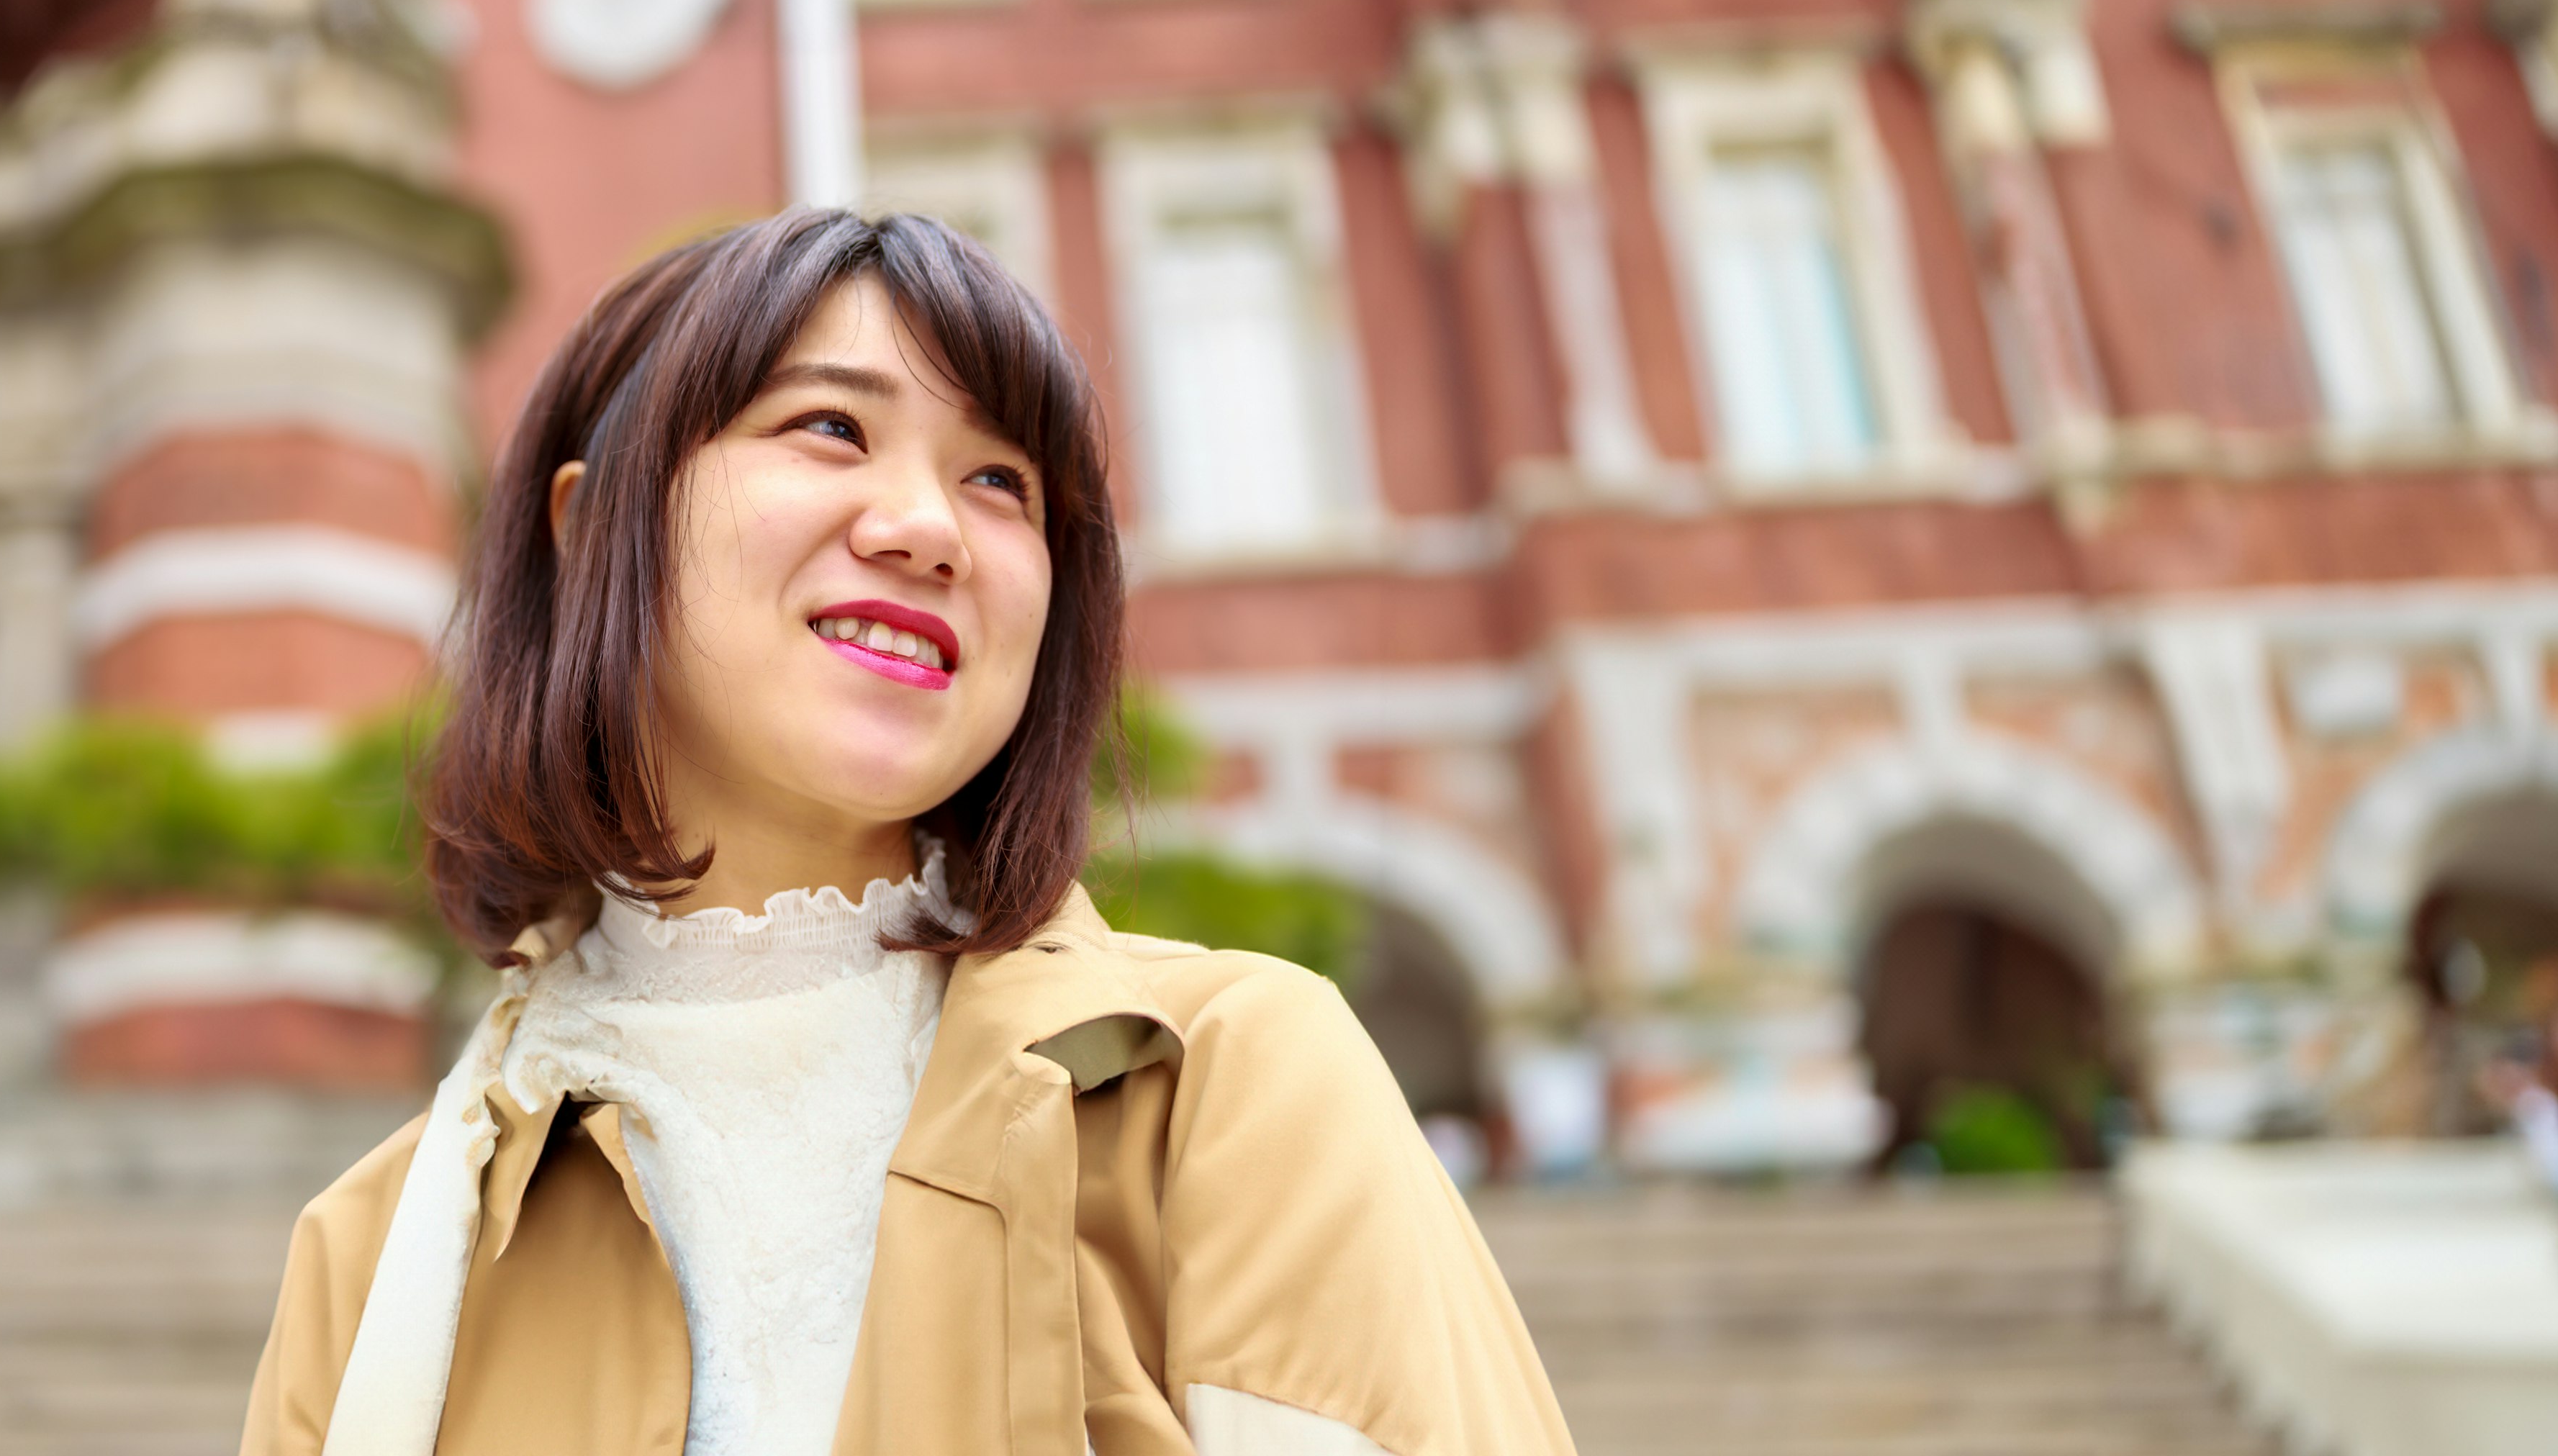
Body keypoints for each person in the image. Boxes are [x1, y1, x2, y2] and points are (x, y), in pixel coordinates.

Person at [238, 208, 1576, 1456]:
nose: (931, 528)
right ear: (595, 532)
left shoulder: (1218, 1091)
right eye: (829, 427)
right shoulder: (377, 1253)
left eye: (1003, 481)